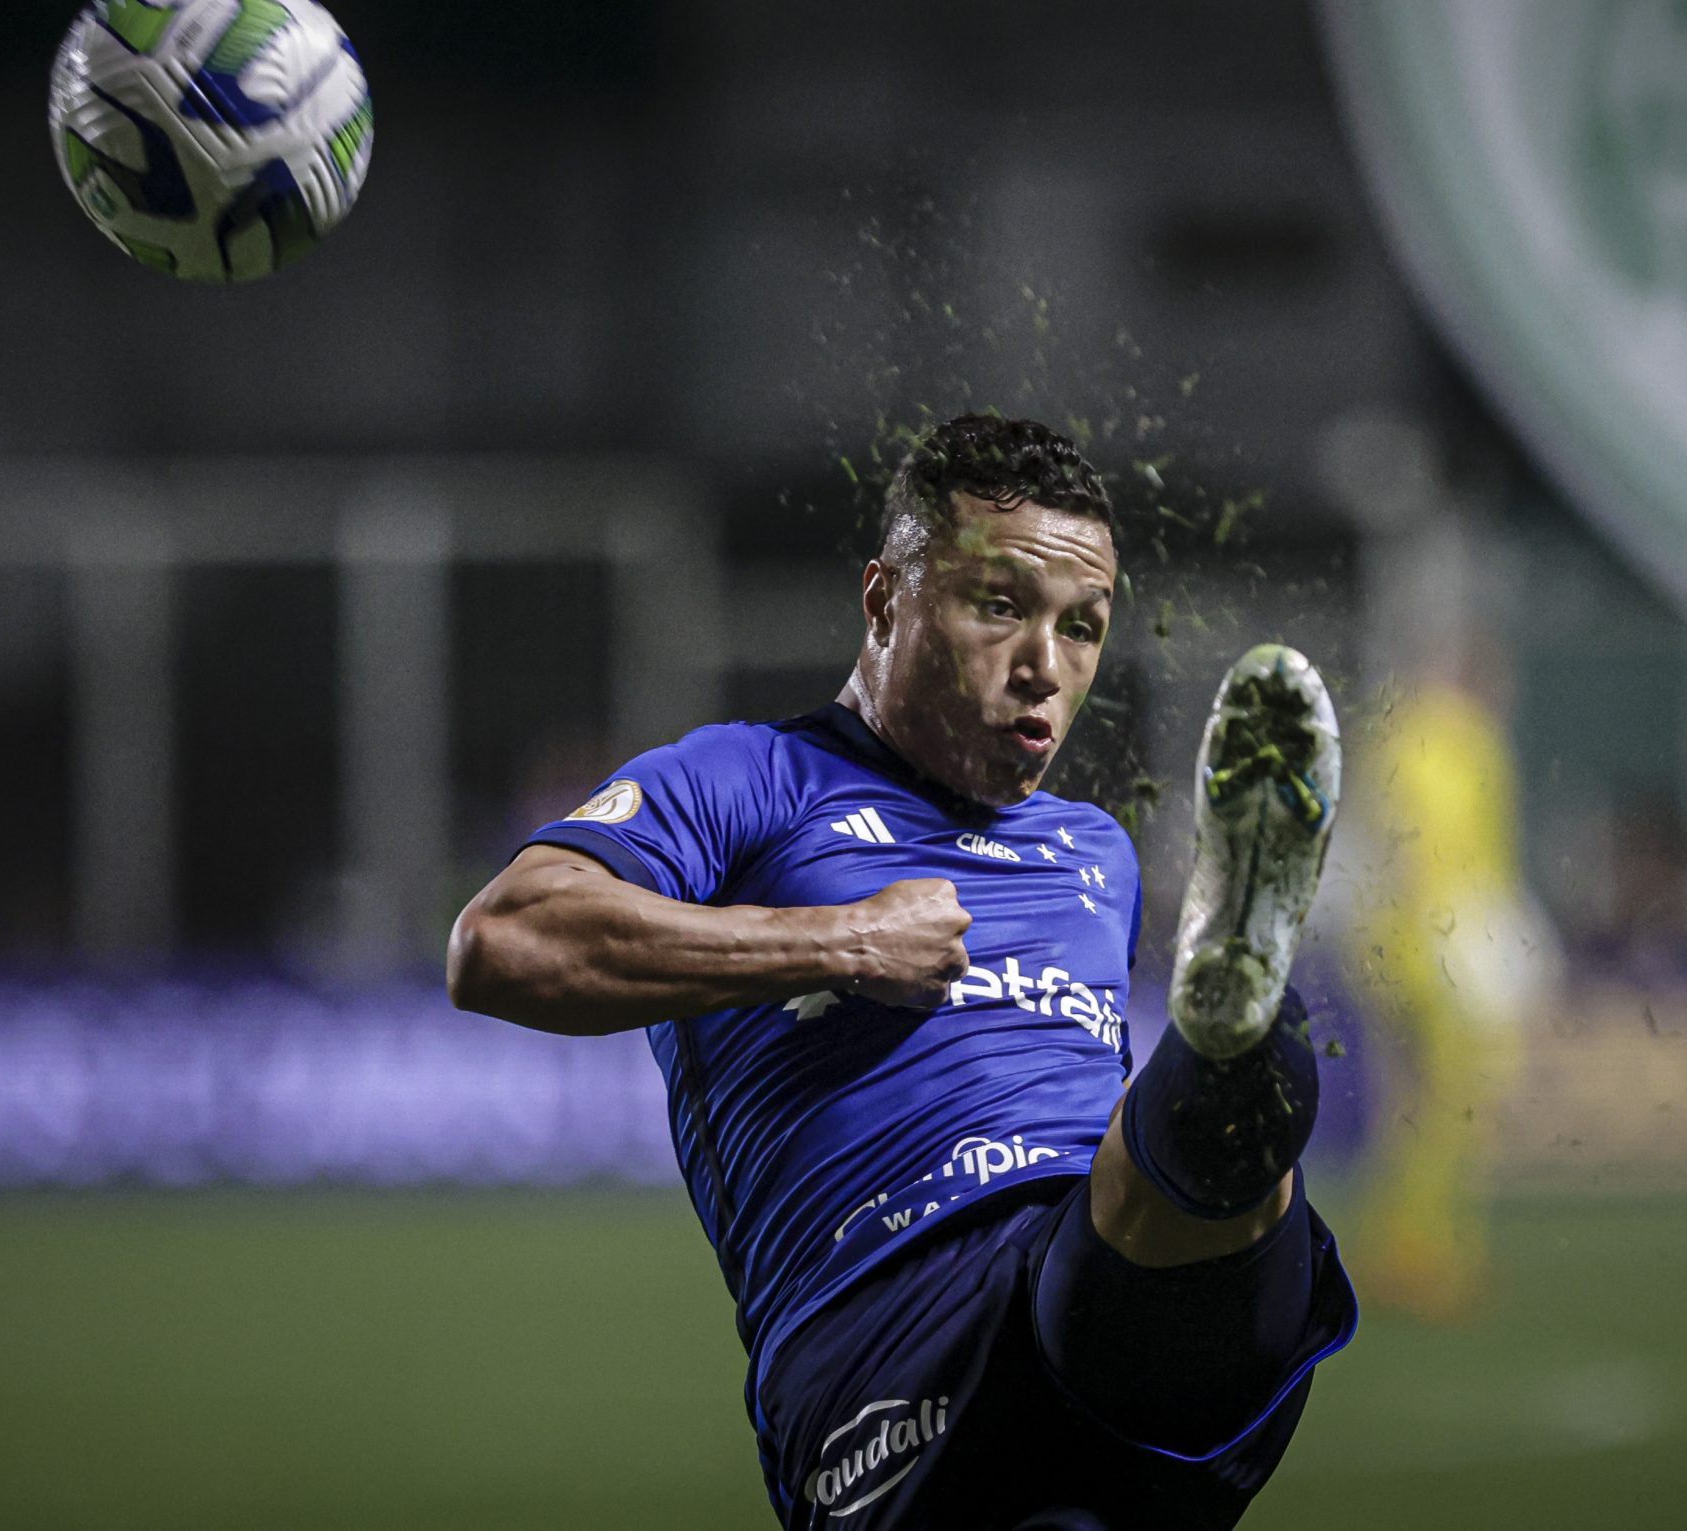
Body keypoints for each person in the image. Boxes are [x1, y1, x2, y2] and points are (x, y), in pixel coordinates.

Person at [449, 415, 1356, 1529]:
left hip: (1100, 1277)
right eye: (1000, 606)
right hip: (885, 1329)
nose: (1046, 666)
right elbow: (503, 945)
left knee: (1247, 1096)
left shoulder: (1094, 854)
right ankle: (1225, 1052)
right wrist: (838, 942)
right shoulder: (752, 778)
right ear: (884, 601)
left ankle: (1231, 1038)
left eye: (1083, 628)